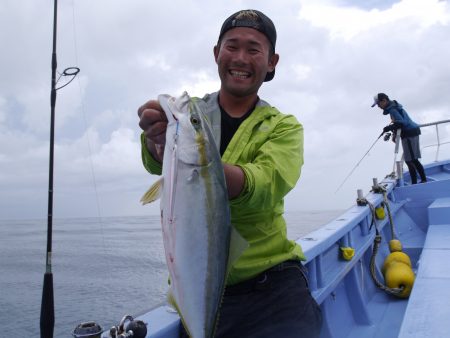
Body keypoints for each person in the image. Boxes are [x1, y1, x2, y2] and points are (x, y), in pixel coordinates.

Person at [138, 9, 322, 338]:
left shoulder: (283, 127)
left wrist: (204, 168)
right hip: (195, 285)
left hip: (273, 285)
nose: (240, 58)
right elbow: (156, 162)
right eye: (231, 46)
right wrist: (158, 143)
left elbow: (268, 183)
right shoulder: (192, 111)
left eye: (253, 49)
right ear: (216, 53)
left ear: (271, 62)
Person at [372, 93, 427, 184]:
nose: (378, 106)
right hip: (408, 133)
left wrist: (389, 128)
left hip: (410, 134)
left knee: (412, 159)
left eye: (378, 104)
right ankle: (415, 182)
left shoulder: (393, 109)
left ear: (384, 101)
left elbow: (402, 123)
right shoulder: (392, 108)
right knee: (409, 160)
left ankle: (422, 181)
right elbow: (398, 122)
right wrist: (394, 134)